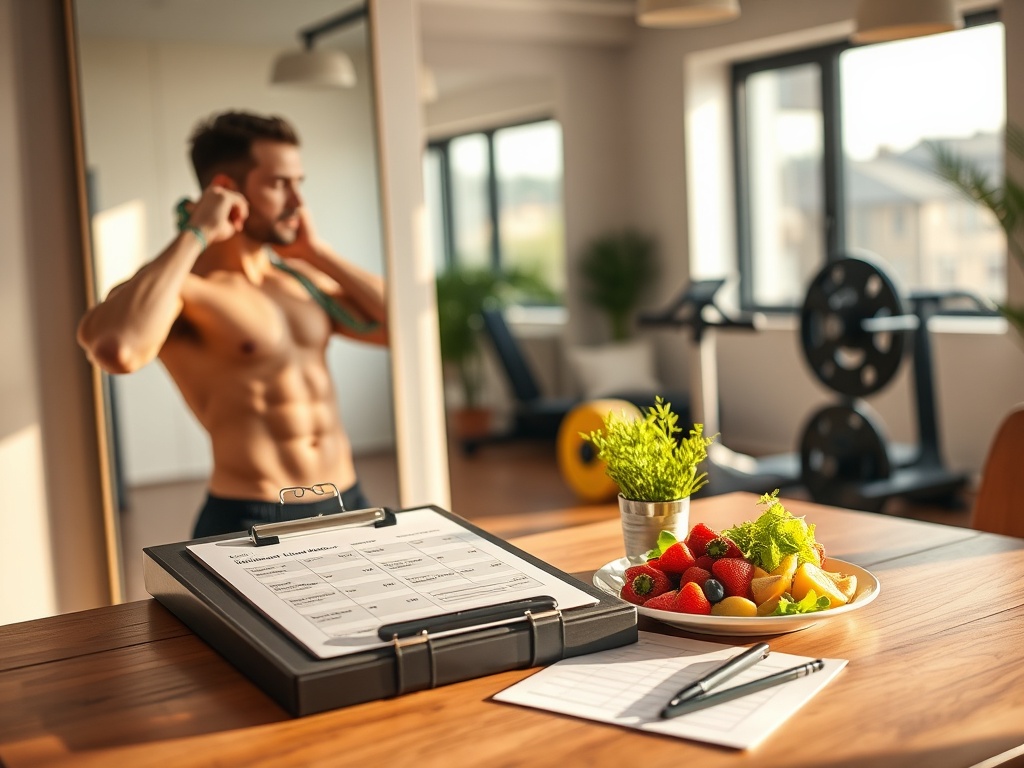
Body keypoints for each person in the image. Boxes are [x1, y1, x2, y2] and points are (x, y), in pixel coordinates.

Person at [77, 111, 388, 537]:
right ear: (225, 188)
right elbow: (118, 349)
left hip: (347, 498)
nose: (298, 202)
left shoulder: (300, 281)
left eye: (300, 183)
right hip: (253, 514)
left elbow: (411, 329)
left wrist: (318, 253)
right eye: (280, 184)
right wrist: (197, 233)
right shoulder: (185, 290)